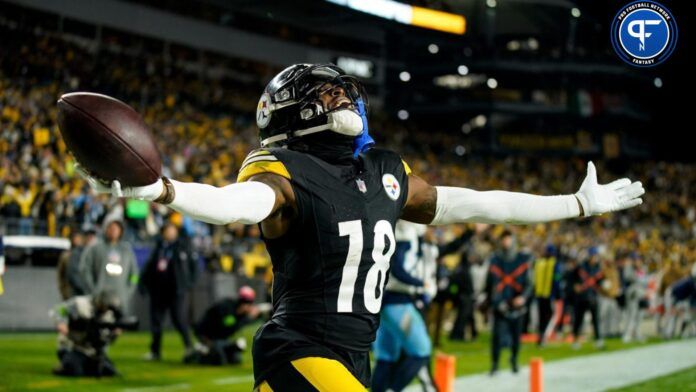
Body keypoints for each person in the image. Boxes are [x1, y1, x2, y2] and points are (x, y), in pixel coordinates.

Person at [79, 63, 645, 390]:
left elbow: (477, 203)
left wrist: (574, 204)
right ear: (293, 112)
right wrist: (164, 190)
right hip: (298, 346)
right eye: (326, 93)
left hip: (355, 354)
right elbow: (238, 205)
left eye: (339, 91)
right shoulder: (280, 170)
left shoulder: (384, 171)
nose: (343, 98)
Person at [372, 220, 437, 392]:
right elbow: (398, 269)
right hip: (398, 303)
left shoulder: (390, 231)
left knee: (386, 358)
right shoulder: (407, 236)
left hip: (383, 303)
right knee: (422, 352)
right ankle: (393, 389)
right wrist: (420, 283)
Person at [139, 222, 198, 361]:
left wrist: (187, 284)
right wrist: (144, 283)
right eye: (167, 230)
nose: (169, 233)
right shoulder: (159, 247)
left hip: (176, 290)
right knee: (156, 321)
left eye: (172, 230)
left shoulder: (183, 246)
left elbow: (194, 267)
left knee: (179, 319)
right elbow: (150, 265)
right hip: (158, 289)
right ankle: (155, 351)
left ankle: (189, 346)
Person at [50, 290, 136, 377]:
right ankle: (63, 366)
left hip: (92, 351)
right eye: (103, 306)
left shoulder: (109, 317)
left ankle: (86, 366)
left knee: (109, 372)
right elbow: (58, 310)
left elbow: (105, 341)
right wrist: (61, 323)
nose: (105, 309)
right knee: (74, 370)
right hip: (72, 346)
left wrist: (115, 334)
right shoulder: (80, 304)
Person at [486, 230, 532, 375]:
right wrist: (496, 301)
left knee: (516, 337)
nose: (506, 242)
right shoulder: (495, 260)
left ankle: (514, 360)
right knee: (497, 337)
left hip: (518, 306)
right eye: (503, 240)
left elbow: (529, 284)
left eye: (508, 239)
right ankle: (495, 364)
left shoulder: (523, 260)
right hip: (501, 306)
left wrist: (523, 297)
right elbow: (490, 284)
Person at [185, 286, 263, 365]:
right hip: (207, 335)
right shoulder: (227, 308)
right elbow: (228, 328)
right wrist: (248, 318)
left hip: (219, 337)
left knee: (235, 359)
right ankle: (199, 352)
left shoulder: (238, 313)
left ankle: (208, 349)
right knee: (219, 359)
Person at [79, 220, 139, 315]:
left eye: (116, 229)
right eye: (110, 228)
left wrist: (129, 290)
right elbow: (85, 270)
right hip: (99, 294)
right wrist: (92, 289)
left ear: (121, 231)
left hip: (121, 295)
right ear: (105, 230)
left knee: (119, 323)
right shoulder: (95, 248)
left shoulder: (127, 251)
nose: (113, 231)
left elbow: (135, 274)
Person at [571, 247, 605, 349]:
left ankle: (598, 340)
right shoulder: (581, 267)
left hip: (593, 297)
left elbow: (600, 281)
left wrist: (603, 285)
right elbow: (571, 278)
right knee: (578, 320)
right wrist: (575, 286)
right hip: (582, 297)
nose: (594, 258)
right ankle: (576, 341)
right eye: (593, 256)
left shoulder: (598, 268)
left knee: (595, 320)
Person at [533, 244, 561, 346]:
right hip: (549, 295)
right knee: (551, 317)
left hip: (539, 294)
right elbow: (557, 280)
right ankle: (543, 337)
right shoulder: (554, 264)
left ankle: (540, 336)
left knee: (541, 317)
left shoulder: (539, 263)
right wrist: (557, 295)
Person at [57, 230, 88, 300]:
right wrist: (63, 290)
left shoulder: (86, 254)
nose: (77, 241)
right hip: (69, 290)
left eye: (79, 239)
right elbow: (60, 274)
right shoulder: (66, 255)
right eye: (75, 238)